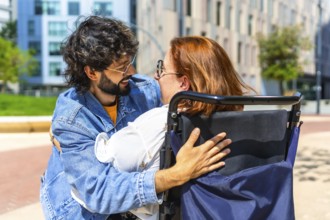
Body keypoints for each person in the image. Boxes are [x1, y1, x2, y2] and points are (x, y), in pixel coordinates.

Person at [40, 16, 231, 220]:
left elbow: (184, 101)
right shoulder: (72, 119)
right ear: (92, 72)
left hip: (133, 208)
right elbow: (99, 194)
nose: (131, 71)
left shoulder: (144, 90)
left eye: (130, 61)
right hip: (81, 210)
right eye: (121, 67)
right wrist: (176, 174)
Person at [93, 36, 252, 219]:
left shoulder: (162, 122)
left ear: (183, 83)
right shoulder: (244, 123)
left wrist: (67, 143)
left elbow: (105, 163)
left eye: (162, 69)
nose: (155, 76)